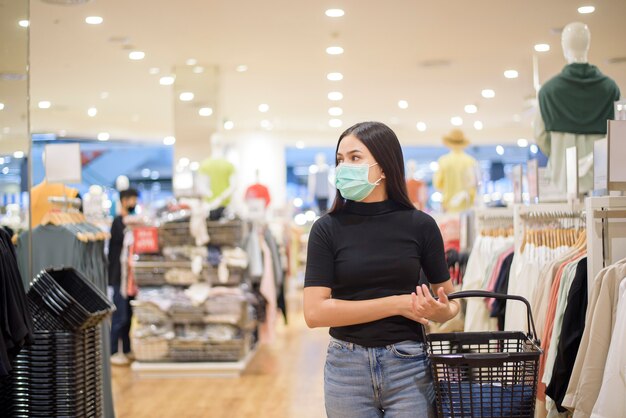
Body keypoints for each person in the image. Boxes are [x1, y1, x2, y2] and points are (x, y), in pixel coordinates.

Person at [304, 121, 459, 417]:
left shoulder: (421, 225)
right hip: (345, 369)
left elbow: (451, 305)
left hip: (409, 366)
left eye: (355, 158)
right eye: (340, 160)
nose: (344, 167)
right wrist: (397, 304)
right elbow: (314, 313)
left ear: (384, 167)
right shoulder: (326, 229)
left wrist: (437, 311)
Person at [108, 187, 139, 365]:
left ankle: (126, 349)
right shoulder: (118, 222)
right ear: (124, 200)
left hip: (129, 279)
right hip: (119, 277)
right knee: (120, 316)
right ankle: (113, 351)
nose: (134, 202)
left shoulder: (130, 221)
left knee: (128, 315)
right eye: (132, 199)